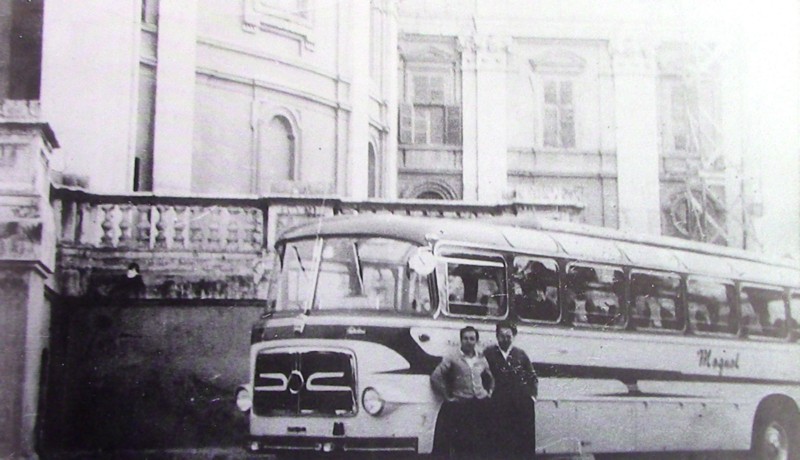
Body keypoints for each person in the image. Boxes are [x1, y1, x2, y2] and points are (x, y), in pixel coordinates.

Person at [430, 326, 494, 458]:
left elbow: (492, 377)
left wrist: (490, 392)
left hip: (480, 404)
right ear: (461, 340)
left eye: (472, 339)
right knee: (461, 443)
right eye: (465, 338)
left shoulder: (481, 358)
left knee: (480, 442)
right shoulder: (453, 357)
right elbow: (436, 377)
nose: (468, 341)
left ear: (476, 341)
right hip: (461, 405)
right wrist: (447, 396)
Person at [483, 321, 538, 459]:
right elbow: (482, 375)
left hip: (519, 404)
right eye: (502, 336)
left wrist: (532, 396)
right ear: (496, 336)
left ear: (514, 336)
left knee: (519, 442)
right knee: (497, 441)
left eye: (509, 335)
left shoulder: (520, 354)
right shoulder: (488, 353)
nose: (505, 339)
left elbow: (532, 377)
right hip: (497, 403)